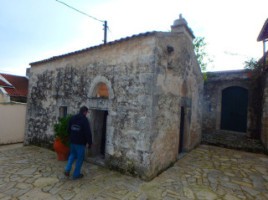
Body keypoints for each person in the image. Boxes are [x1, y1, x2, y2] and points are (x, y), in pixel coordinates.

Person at [64, 106, 92, 180]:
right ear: (85, 112)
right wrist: (90, 142)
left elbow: (68, 128)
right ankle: (76, 174)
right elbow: (87, 132)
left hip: (72, 141)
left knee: (72, 155)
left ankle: (67, 169)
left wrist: (70, 137)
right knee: (80, 158)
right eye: (86, 112)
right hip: (80, 143)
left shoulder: (73, 118)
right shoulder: (84, 120)